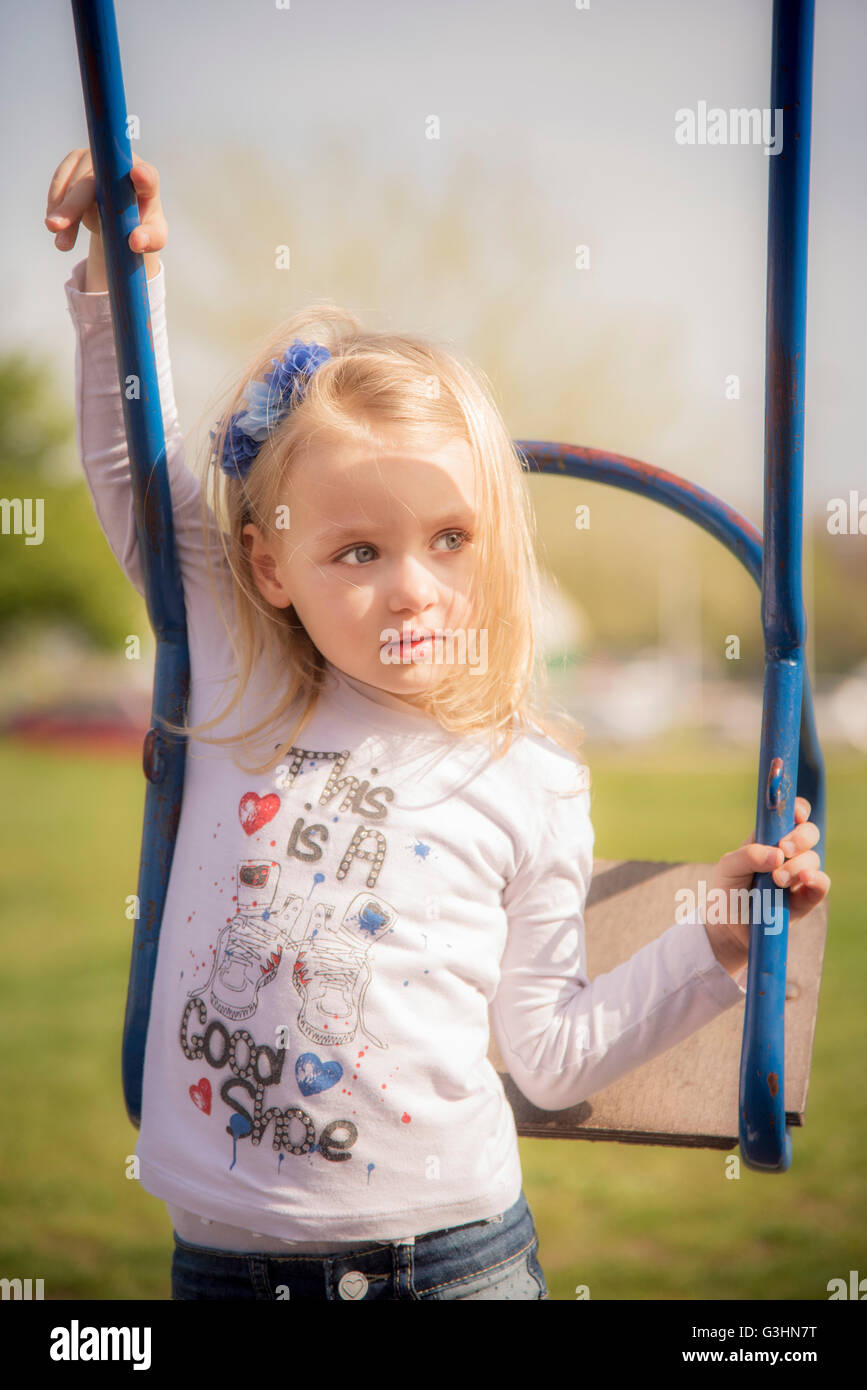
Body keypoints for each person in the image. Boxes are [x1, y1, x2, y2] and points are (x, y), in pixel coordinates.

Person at [46, 150, 830, 1302]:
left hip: (451, 1262)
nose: (412, 586)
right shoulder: (241, 680)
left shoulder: (531, 774)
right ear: (268, 566)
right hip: (217, 1265)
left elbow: (553, 1053)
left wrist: (715, 938)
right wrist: (121, 280)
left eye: (449, 538)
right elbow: (135, 477)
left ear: (496, 540)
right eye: (357, 551)